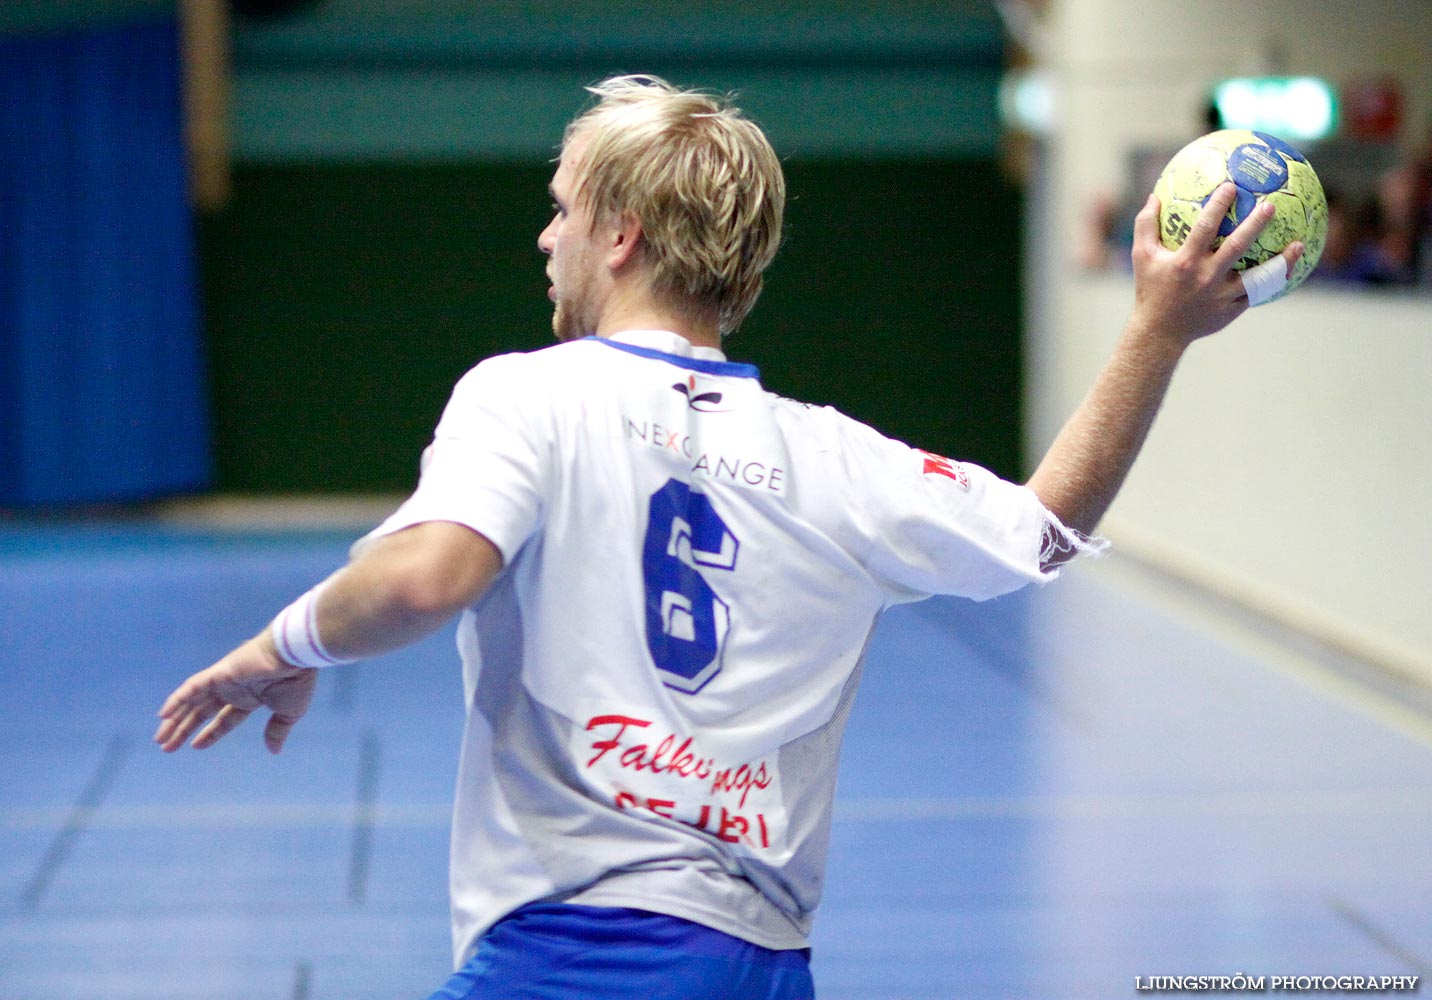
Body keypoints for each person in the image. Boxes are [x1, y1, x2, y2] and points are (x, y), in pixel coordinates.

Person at [154, 75, 1303, 999]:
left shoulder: (528, 395)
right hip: (759, 961)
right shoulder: (831, 456)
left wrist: (281, 648)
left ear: (621, 234)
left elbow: (426, 575)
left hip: (571, 951)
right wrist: (1158, 329)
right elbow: (1044, 527)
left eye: (560, 207)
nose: (544, 238)